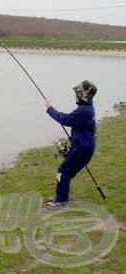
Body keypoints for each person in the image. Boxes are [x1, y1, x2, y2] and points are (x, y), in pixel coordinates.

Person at [44, 80, 98, 209]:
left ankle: (61, 202)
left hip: (82, 149)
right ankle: (60, 198)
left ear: (82, 97)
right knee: (66, 172)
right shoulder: (86, 108)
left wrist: (50, 109)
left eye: (77, 93)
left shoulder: (83, 111)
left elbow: (65, 119)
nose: (75, 95)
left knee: (63, 170)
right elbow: (76, 124)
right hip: (82, 147)